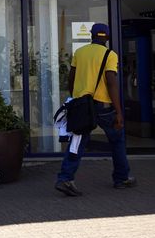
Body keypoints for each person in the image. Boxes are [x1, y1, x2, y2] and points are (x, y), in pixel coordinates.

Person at [55, 22, 136, 196]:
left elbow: (71, 78)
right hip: (103, 107)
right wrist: (119, 111)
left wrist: (76, 97)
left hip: (82, 105)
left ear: (91, 36)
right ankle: (121, 178)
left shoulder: (80, 52)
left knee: (76, 142)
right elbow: (111, 82)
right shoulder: (110, 55)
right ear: (106, 37)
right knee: (117, 141)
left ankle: (65, 178)